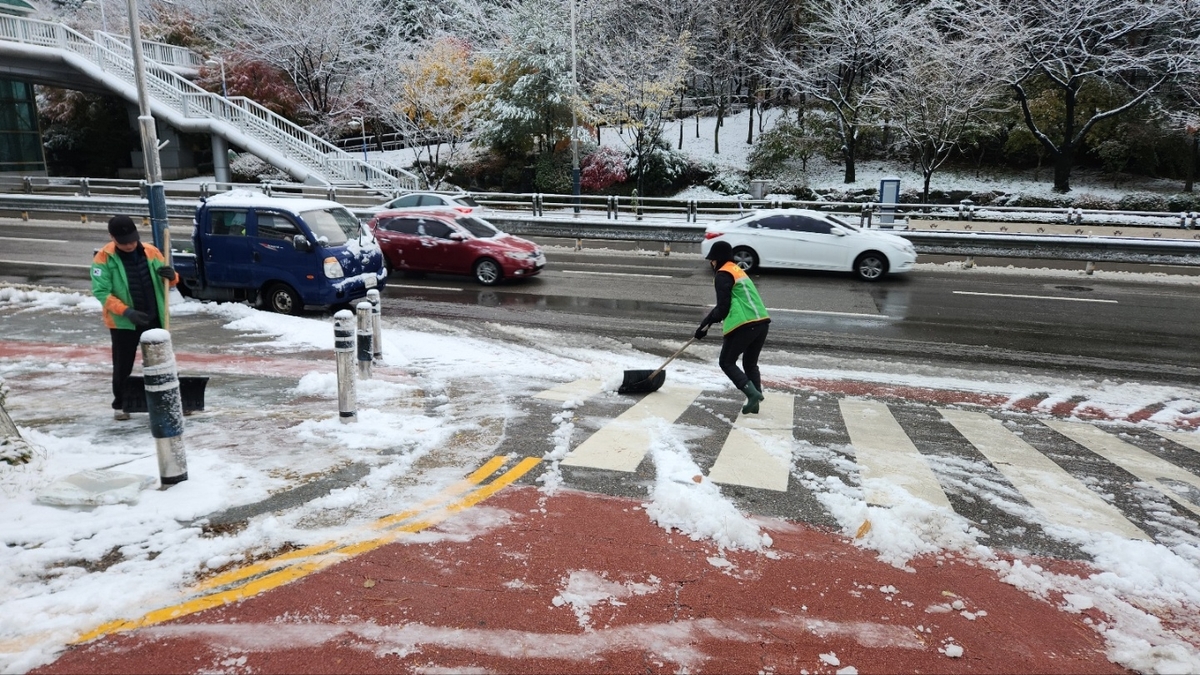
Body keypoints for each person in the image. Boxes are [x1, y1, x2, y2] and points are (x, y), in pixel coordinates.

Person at [91, 215, 178, 420]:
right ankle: (121, 404)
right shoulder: (103, 258)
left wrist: (172, 276)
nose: (130, 245)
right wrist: (126, 312)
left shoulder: (151, 251)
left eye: (132, 240)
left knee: (162, 362)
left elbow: (170, 283)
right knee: (123, 364)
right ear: (113, 238)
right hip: (124, 322)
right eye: (124, 242)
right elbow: (101, 292)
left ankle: (168, 398)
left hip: (154, 316)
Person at [694, 241, 770, 414]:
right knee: (750, 364)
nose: (711, 263)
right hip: (762, 322)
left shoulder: (723, 274)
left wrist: (704, 326)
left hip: (744, 324)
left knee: (726, 362)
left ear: (717, 259)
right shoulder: (737, 270)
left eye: (712, 260)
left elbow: (723, 308)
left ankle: (751, 394)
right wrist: (706, 324)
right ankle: (755, 404)